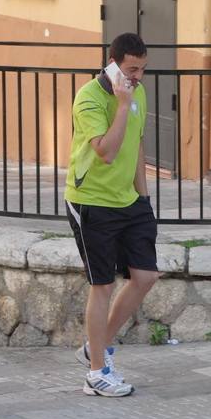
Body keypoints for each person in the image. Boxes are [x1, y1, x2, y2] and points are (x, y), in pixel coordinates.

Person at [66, 32, 158, 398]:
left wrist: (144, 198)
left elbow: (135, 144)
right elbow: (106, 151)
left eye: (142, 69)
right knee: (102, 284)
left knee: (147, 276)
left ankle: (96, 344)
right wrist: (121, 105)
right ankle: (96, 373)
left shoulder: (139, 93)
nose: (137, 77)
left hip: (129, 200)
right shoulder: (89, 97)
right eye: (132, 69)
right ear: (113, 63)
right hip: (91, 201)